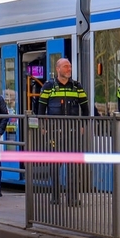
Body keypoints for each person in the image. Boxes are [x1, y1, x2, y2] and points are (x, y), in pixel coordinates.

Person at [36, 58, 90, 205]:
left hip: (72, 131)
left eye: (70, 66)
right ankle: (55, 196)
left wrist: (83, 125)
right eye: (66, 66)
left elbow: (85, 107)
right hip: (54, 131)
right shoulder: (48, 86)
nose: (69, 69)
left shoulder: (77, 86)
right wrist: (42, 126)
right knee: (55, 164)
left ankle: (72, 198)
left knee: (73, 164)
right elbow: (41, 107)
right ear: (58, 69)